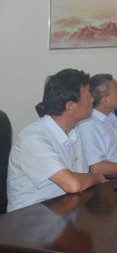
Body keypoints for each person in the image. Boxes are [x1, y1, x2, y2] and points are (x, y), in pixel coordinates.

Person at [6, 69, 105, 212]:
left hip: (64, 211)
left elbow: (80, 181)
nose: (92, 100)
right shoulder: (33, 138)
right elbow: (73, 184)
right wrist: (97, 177)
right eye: (88, 95)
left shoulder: (73, 132)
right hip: (30, 218)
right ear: (70, 106)